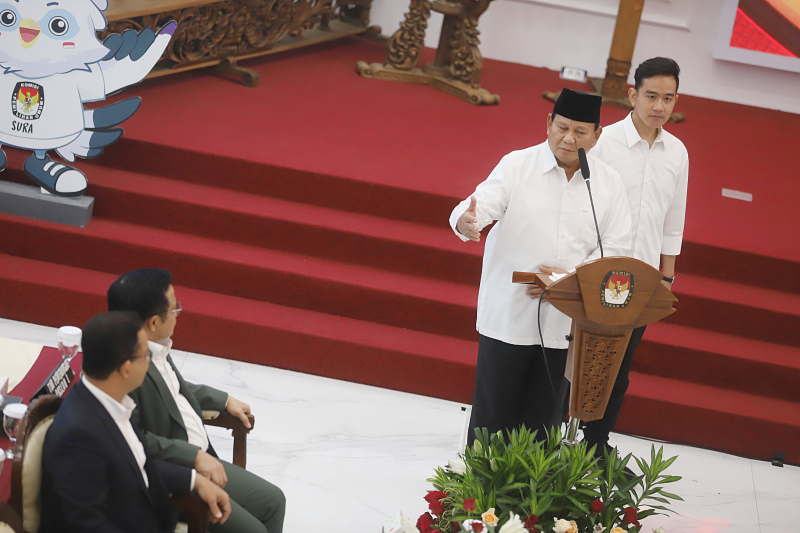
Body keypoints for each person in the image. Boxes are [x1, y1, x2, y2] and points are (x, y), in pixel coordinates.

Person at [450, 88, 632, 445]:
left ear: (597, 135)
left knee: (541, 428)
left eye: (581, 132)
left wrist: (565, 283)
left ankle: (529, 502)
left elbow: (615, 250)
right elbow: (478, 205)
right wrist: (466, 222)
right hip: (508, 318)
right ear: (548, 123)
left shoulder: (608, 184)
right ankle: (478, 498)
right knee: (491, 421)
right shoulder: (517, 165)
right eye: (562, 127)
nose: (568, 139)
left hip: (564, 326)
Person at [108, 269, 286, 533]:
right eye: (174, 308)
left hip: (203, 458)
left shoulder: (155, 345)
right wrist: (193, 457)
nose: (179, 313)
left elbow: (176, 389)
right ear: (153, 322)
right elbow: (134, 441)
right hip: (175, 478)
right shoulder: (123, 371)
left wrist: (224, 401)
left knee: (274, 501)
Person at [40, 311, 231, 533]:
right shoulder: (78, 437)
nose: (150, 362)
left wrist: (194, 481)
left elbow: (135, 463)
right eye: (146, 356)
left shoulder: (112, 400)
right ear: (126, 368)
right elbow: (88, 525)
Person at [584, 57, 689, 459]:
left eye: (668, 97)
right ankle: (559, 439)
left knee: (620, 368)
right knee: (581, 361)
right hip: (599, 271)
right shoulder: (603, 142)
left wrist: (667, 277)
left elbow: (673, 218)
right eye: (651, 96)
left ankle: (597, 445)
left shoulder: (677, 153)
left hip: (641, 279)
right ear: (632, 94)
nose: (659, 106)